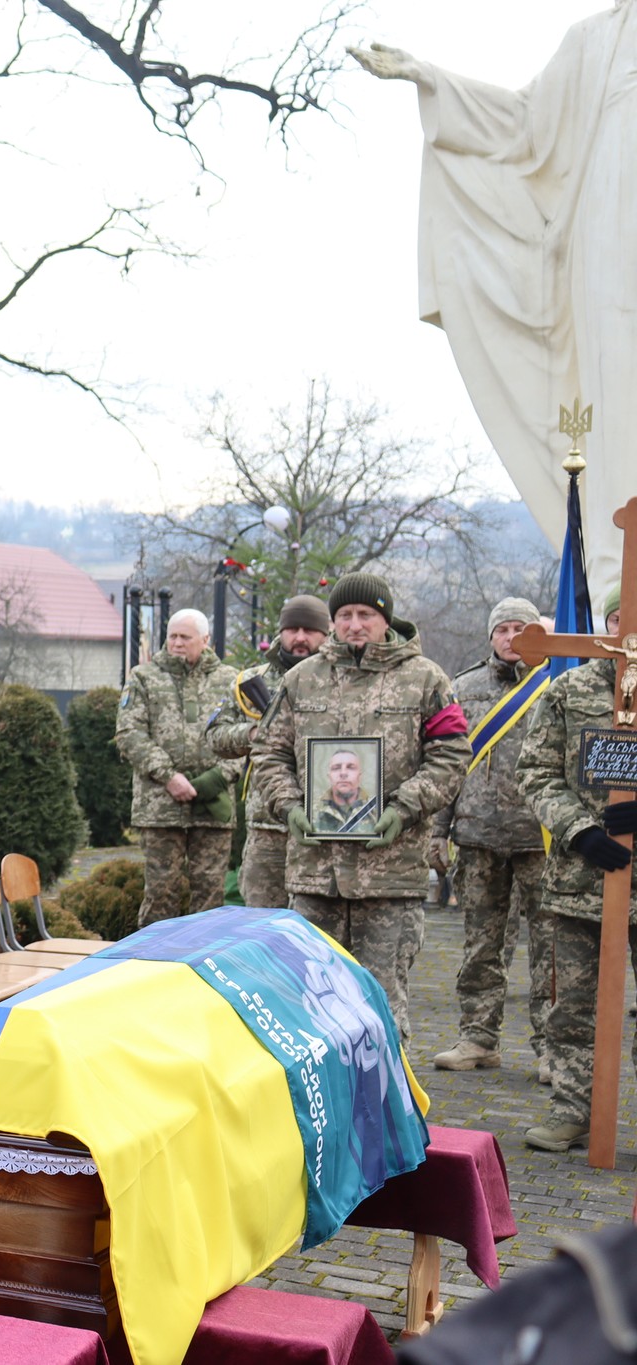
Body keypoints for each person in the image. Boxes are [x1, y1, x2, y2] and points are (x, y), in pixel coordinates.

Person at [352, 15, 637, 593]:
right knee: (617, 388)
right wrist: (431, 79)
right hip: (611, 240)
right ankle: (621, 575)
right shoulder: (597, 39)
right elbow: (524, 125)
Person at [254, 572, 470, 1032]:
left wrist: (404, 808)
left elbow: (451, 755)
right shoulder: (300, 679)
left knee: (382, 1005)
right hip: (316, 874)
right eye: (345, 615)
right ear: (333, 621)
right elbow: (269, 753)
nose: (355, 624)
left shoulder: (425, 679)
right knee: (312, 1004)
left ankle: (388, 1083)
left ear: (385, 619)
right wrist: (289, 806)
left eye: (366, 614)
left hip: (390, 875)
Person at [516, 585, 637, 1152]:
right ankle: (572, 1110)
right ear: (603, 626)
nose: (627, 629)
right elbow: (535, 771)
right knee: (573, 1009)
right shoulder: (569, 690)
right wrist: (581, 831)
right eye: (617, 618)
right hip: (581, 882)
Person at [433, 596, 555, 1078]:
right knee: (481, 946)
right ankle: (479, 1038)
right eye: (502, 630)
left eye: (520, 629)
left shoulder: (556, 685)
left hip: (541, 838)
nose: (510, 638)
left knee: (550, 949)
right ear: (489, 636)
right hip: (478, 835)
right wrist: (438, 832)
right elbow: (447, 764)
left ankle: (551, 1048)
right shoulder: (462, 687)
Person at [114, 608, 241, 925]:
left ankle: (206, 955)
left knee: (210, 896)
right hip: (161, 806)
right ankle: (152, 954)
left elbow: (247, 737)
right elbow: (129, 734)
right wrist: (169, 777)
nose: (177, 643)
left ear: (205, 640)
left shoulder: (230, 680)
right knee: (161, 894)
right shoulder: (144, 678)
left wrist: (218, 777)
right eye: (172, 636)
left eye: (185, 637)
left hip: (212, 807)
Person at [208, 594, 330, 907]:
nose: (300, 637)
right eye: (292, 629)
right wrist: (253, 733)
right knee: (262, 921)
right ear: (281, 631)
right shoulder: (251, 682)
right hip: (267, 827)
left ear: (326, 633)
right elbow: (214, 736)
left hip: (326, 825)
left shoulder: (342, 679)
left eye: (309, 630)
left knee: (318, 923)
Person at [314, 749, 378, 834]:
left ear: (359, 776)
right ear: (329, 777)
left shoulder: (376, 809)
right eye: (336, 768)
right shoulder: (312, 811)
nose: (343, 773)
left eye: (351, 767)